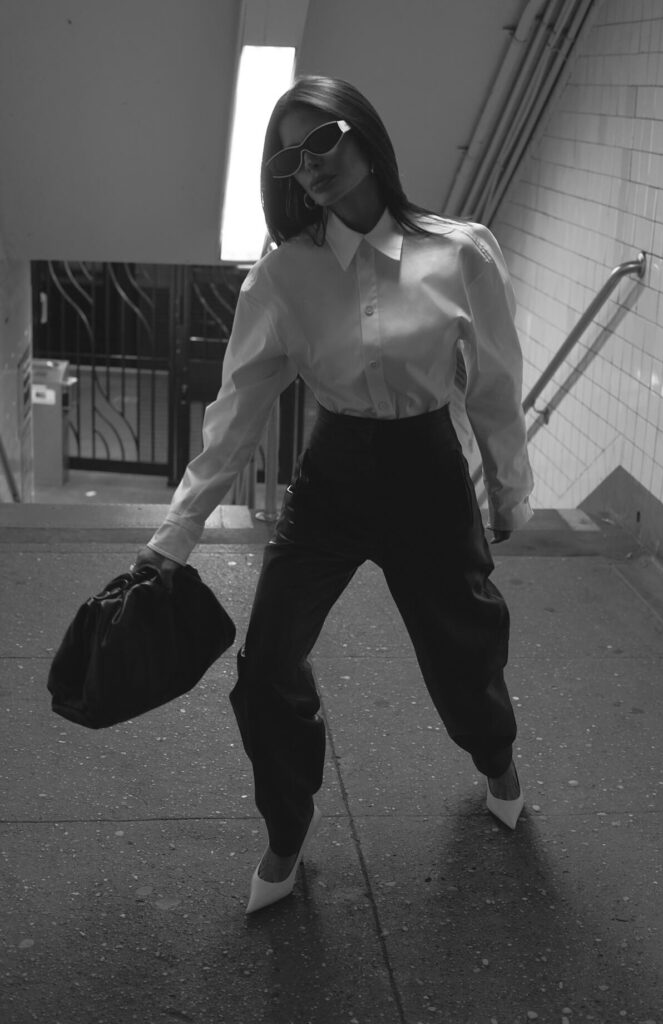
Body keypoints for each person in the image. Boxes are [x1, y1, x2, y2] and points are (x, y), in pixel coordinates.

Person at [134, 75, 534, 914]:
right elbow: (239, 408)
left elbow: (494, 382)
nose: (306, 164)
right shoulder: (282, 276)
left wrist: (507, 487)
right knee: (269, 660)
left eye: (323, 139)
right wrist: (177, 533)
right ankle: (286, 828)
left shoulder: (460, 251)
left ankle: (495, 757)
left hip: (427, 471)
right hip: (332, 476)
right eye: (289, 153)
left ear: (367, 138)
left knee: (461, 641)